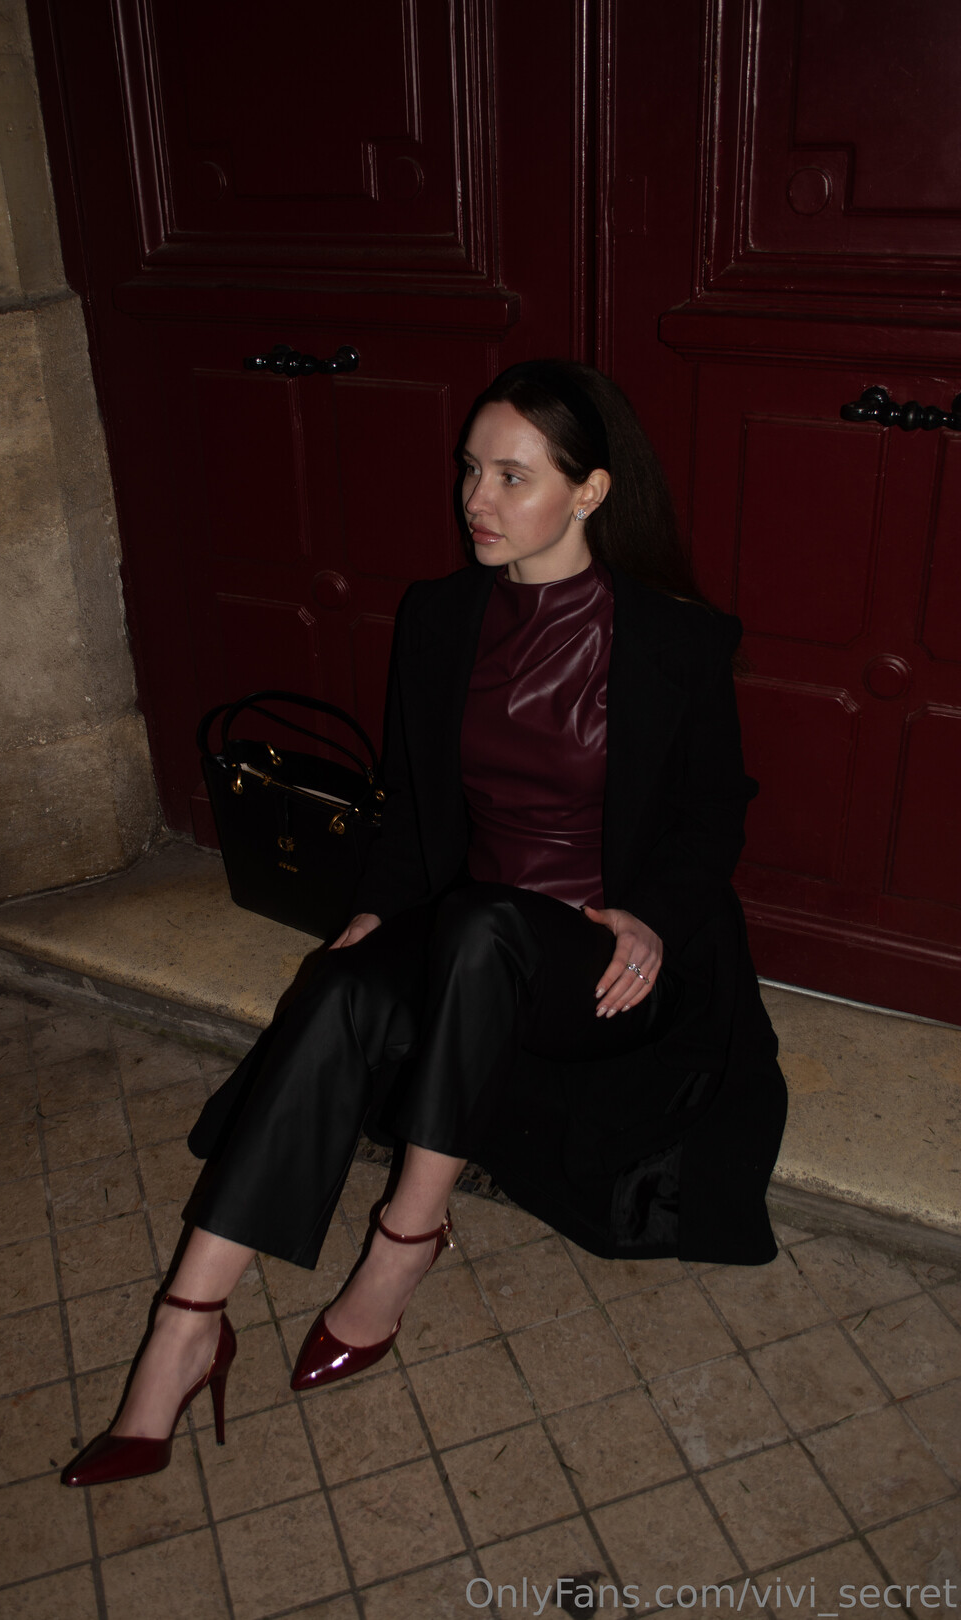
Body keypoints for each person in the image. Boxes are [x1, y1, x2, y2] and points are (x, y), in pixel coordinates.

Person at [60, 359, 787, 1489]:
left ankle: (404, 1244)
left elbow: (714, 810)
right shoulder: (442, 617)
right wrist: (370, 914)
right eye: (469, 470)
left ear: (590, 492)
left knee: (487, 928)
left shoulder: (673, 641)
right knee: (345, 986)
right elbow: (410, 806)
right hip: (467, 935)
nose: (474, 500)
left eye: (511, 476)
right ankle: (186, 1326)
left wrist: (651, 916)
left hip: (595, 961)